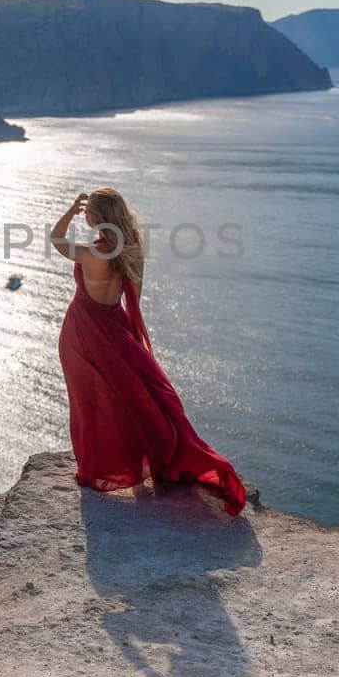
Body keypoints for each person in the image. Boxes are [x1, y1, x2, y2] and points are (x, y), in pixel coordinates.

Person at [51, 188, 246, 516]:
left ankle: (94, 469)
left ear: (97, 217)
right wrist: (126, 340)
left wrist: (70, 211)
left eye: (88, 212)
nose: (85, 216)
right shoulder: (133, 252)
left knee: (89, 400)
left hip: (82, 331)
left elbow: (56, 240)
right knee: (134, 399)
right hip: (116, 328)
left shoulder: (89, 253)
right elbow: (133, 304)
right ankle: (135, 462)